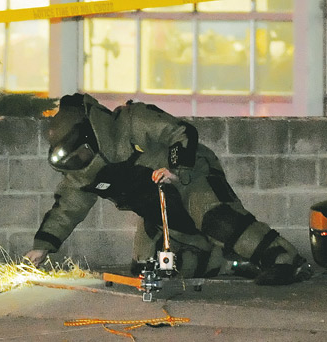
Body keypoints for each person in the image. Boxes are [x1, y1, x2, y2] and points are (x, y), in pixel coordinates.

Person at [25, 93, 312, 285]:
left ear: (92, 134)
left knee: (218, 220)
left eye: (80, 153)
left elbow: (182, 132)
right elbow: (67, 208)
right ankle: (228, 264)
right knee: (148, 271)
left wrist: (175, 169)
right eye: (72, 159)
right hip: (156, 208)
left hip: (190, 177)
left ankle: (285, 260)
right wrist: (42, 247)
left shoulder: (131, 120)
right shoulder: (82, 174)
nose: (78, 162)